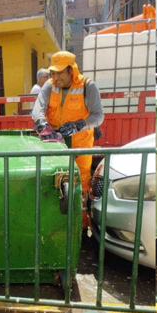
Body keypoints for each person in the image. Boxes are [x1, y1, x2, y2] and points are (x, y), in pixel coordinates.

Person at [31, 51, 104, 226]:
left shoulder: (88, 87)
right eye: (53, 73)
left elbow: (98, 116)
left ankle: (81, 226)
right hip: (54, 144)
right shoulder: (49, 86)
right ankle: (56, 224)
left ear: (71, 70)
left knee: (81, 183)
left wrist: (78, 125)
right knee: (52, 181)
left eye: (59, 73)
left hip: (80, 145)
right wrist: (41, 123)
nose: (55, 77)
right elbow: (37, 109)